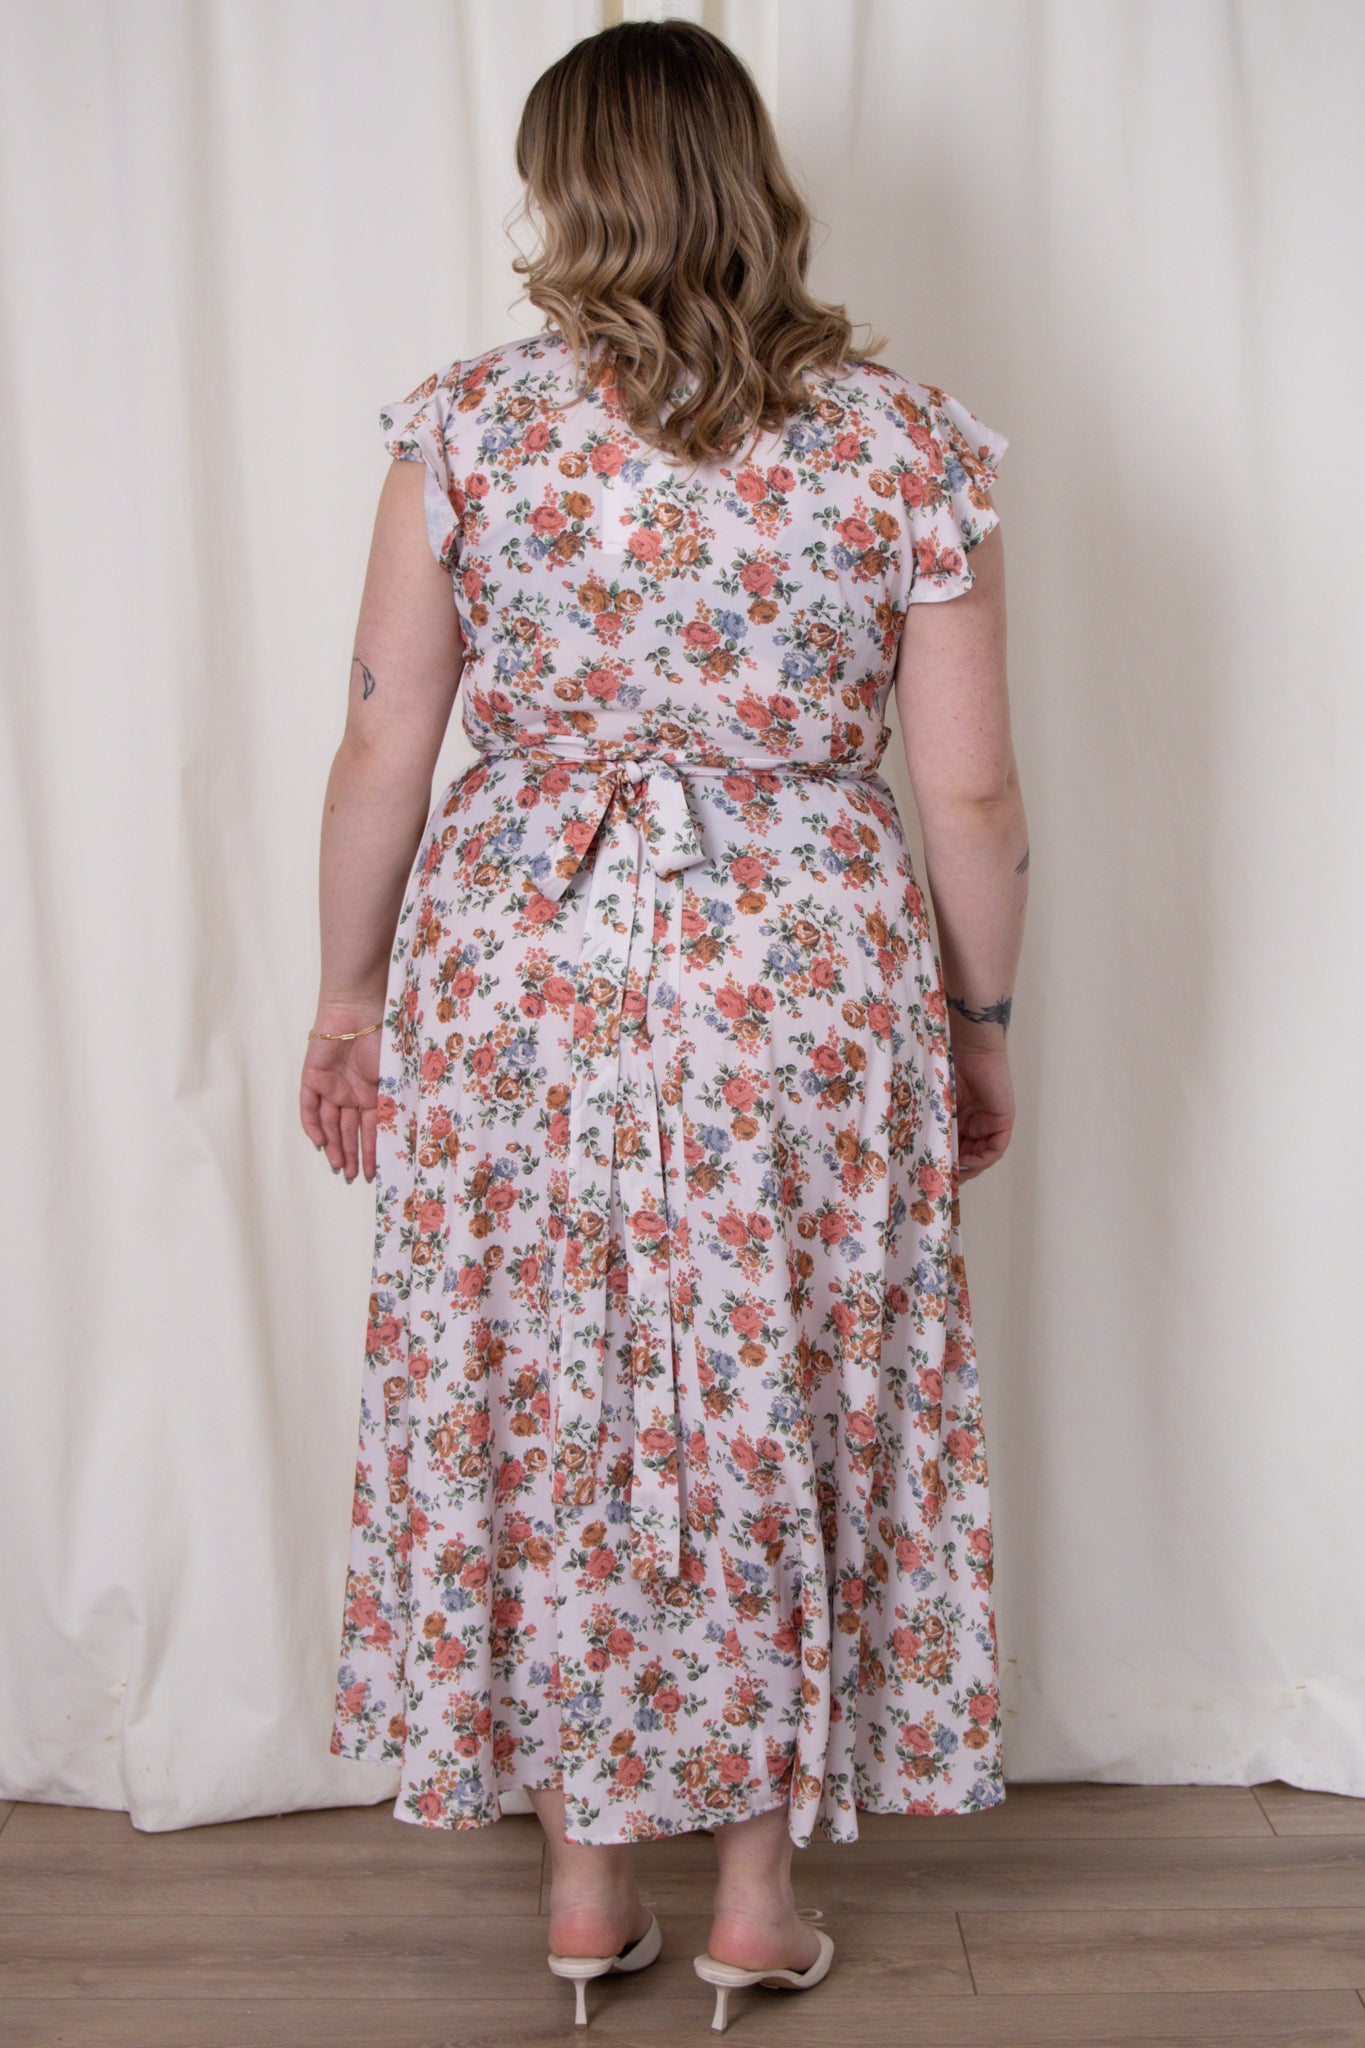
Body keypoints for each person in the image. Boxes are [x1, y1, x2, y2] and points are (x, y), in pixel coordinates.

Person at [301, 16, 1027, 2031]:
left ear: (566, 192)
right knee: (776, 1379)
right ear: (752, 183)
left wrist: (349, 995)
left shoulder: (466, 429)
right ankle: (754, 1901)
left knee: (547, 1379)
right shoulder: (906, 444)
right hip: (802, 973)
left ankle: (579, 1887)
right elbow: (968, 797)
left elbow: (380, 746)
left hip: (518, 968)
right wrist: (976, 1021)